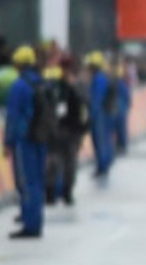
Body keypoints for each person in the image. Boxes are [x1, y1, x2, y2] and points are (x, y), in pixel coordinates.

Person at [5, 46, 47, 239]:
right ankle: (37, 220)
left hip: (25, 140)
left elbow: (13, 117)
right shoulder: (42, 83)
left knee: (26, 181)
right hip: (42, 138)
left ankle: (30, 225)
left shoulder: (19, 86)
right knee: (38, 181)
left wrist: (8, 141)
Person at [46, 62, 88, 206]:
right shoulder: (73, 91)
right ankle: (66, 192)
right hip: (71, 132)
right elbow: (82, 112)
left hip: (59, 132)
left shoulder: (53, 93)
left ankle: (52, 192)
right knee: (68, 163)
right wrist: (82, 129)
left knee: (54, 161)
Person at [85, 52, 115, 179]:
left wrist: (91, 115)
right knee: (103, 140)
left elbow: (97, 99)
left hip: (100, 115)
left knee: (100, 140)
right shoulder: (102, 78)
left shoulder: (99, 79)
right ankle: (103, 164)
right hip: (103, 113)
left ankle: (102, 166)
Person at [111, 61, 132, 156]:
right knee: (120, 129)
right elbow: (127, 96)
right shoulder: (122, 84)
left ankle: (121, 146)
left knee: (119, 129)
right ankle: (121, 146)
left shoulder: (119, 84)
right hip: (120, 109)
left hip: (118, 109)